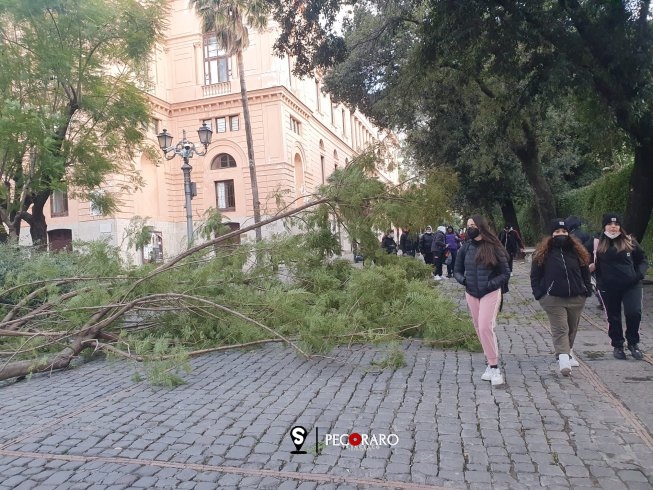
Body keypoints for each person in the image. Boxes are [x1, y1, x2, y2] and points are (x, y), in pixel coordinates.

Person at [454, 215, 511, 386]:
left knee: (486, 326)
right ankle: (489, 361)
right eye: (468, 225)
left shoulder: (494, 247)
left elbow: (505, 273)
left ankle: (494, 367)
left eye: (473, 225)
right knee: (478, 327)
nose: (470, 228)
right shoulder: (465, 248)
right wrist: (464, 281)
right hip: (471, 293)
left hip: (490, 292)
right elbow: (457, 270)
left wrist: (490, 284)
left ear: (481, 226)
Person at [530, 219, 593, 376]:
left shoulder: (578, 251)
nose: (561, 234)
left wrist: (586, 289)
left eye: (564, 232)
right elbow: (535, 277)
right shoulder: (542, 253)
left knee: (572, 328)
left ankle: (568, 352)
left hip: (576, 297)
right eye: (557, 232)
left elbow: (585, 272)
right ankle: (563, 359)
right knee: (561, 328)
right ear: (551, 235)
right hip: (553, 298)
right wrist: (539, 293)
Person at [586, 213, 648, 360]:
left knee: (634, 312)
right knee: (613, 317)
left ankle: (633, 343)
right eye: (610, 224)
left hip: (631, 285)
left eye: (616, 224)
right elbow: (584, 259)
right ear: (604, 226)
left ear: (620, 227)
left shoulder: (629, 241)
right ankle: (618, 345)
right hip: (608, 286)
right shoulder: (596, 243)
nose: (613, 227)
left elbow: (643, 259)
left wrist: (638, 274)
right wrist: (590, 269)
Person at [566, 216, 601, 310]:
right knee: (593, 279)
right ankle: (601, 299)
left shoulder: (571, 236)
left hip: (577, 261)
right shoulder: (585, 234)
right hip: (589, 260)